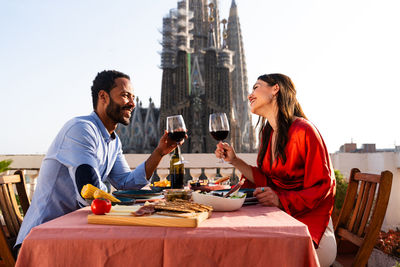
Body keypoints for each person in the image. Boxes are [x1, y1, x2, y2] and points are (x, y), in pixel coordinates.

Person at [15, 70, 181, 248]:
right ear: (103, 96)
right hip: (41, 239)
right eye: (125, 96)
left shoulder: (112, 140)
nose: (132, 103)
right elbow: (89, 191)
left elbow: (126, 183)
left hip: (75, 231)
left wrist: (159, 153)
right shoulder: (81, 129)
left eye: (133, 97)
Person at [215, 73, 337, 267]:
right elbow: (267, 180)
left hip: (311, 232)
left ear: (275, 89)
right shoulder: (268, 132)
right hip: (284, 220)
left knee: (249, 253)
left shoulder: (304, 130)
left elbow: (324, 186)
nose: (250, 95)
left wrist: (281, 200)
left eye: (256, 87)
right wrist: (235, 160)